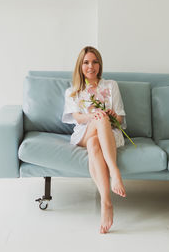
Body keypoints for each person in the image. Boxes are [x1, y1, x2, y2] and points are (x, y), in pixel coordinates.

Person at [62, 46, 127, 234]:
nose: (91, 66)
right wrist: (96, 115)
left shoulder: (111, 85)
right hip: (84, 131)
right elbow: (78, 118)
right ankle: (115, 173)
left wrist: (113, 116)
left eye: (95, 62)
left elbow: (120, 119)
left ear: (100, 64)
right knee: (98, 119)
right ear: (80, 66)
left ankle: (106, 203)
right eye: (86, 62)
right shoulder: (73, 90)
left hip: (108, 134)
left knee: (94, 144)